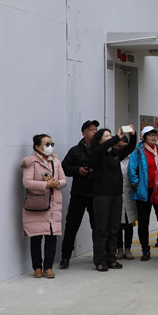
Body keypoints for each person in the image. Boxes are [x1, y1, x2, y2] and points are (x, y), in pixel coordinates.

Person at [89, 125, 137, 272]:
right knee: (101, 229)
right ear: (99, 140)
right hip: (102, 196)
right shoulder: (96, 153)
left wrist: (133, 135)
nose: (110, 138)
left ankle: (111, 258)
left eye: (111, 135)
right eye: (107, 136)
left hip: (116, 195)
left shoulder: (114, 153)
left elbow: (129, 148)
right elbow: (101, 150)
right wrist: (116, 137)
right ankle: (100, 260)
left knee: (113, 229)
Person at [22, 134, 68, 279]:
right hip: (37, 204)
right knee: (36, 237)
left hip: (53, 203)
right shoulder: (31, 162)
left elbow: (63, 180)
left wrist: (58, 183)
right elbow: (27, 182)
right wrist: (46, 184)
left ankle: (48, 267)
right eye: (46, 144)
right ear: (37, 147)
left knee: (52, 236)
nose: (50, 147)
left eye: (51, 144)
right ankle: (37, 267)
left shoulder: (55, 161)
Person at [59, 119, 99, 269]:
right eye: (91, 129)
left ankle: (99, 255)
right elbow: (64, 168)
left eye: (96, 129)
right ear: (83, 133)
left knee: (97, 226)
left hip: (96, 193)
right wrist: (78, 170)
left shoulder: (100, 149)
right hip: (79, 193)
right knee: (72, 225)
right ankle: (65, 256)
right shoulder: (75, 150)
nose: (94, 132)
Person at [128, 126, 158, 261]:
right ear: (144, 137)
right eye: (150, 135)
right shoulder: (138, 152)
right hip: (144, 190)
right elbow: (132, 170)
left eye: (155, 135)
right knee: (143, 221)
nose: (153, 137)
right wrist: (137, 185)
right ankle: (145, 249)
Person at [116, 136, 137, 261]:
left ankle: (128, 248)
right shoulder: (114, 158)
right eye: (119, 146)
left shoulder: (132, 158)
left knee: (129, 223)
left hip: (130, 195)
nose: (121, 149)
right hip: (117, 195)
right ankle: (119, 248)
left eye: (124, 146)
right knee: (118, 224)